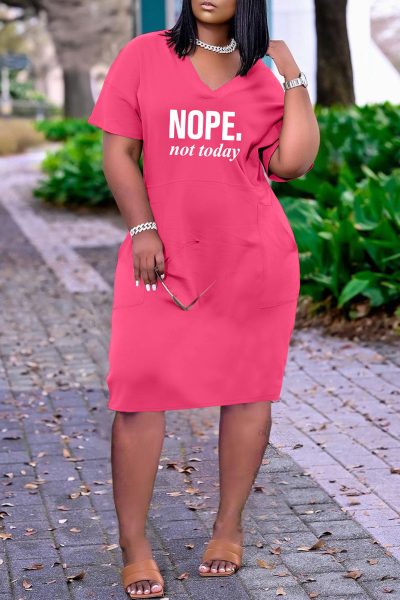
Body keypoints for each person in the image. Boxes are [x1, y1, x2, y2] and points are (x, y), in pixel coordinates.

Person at [87, 0, 319, 597]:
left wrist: (291, 74)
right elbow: (119, 151)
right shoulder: (145, 55)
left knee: (247, 392)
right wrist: (142, 227)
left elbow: (293, 163)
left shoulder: (260, 75)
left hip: (250, 260)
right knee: (137, 394)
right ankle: (134, 546)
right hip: (160, 258)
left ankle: (228, 526)